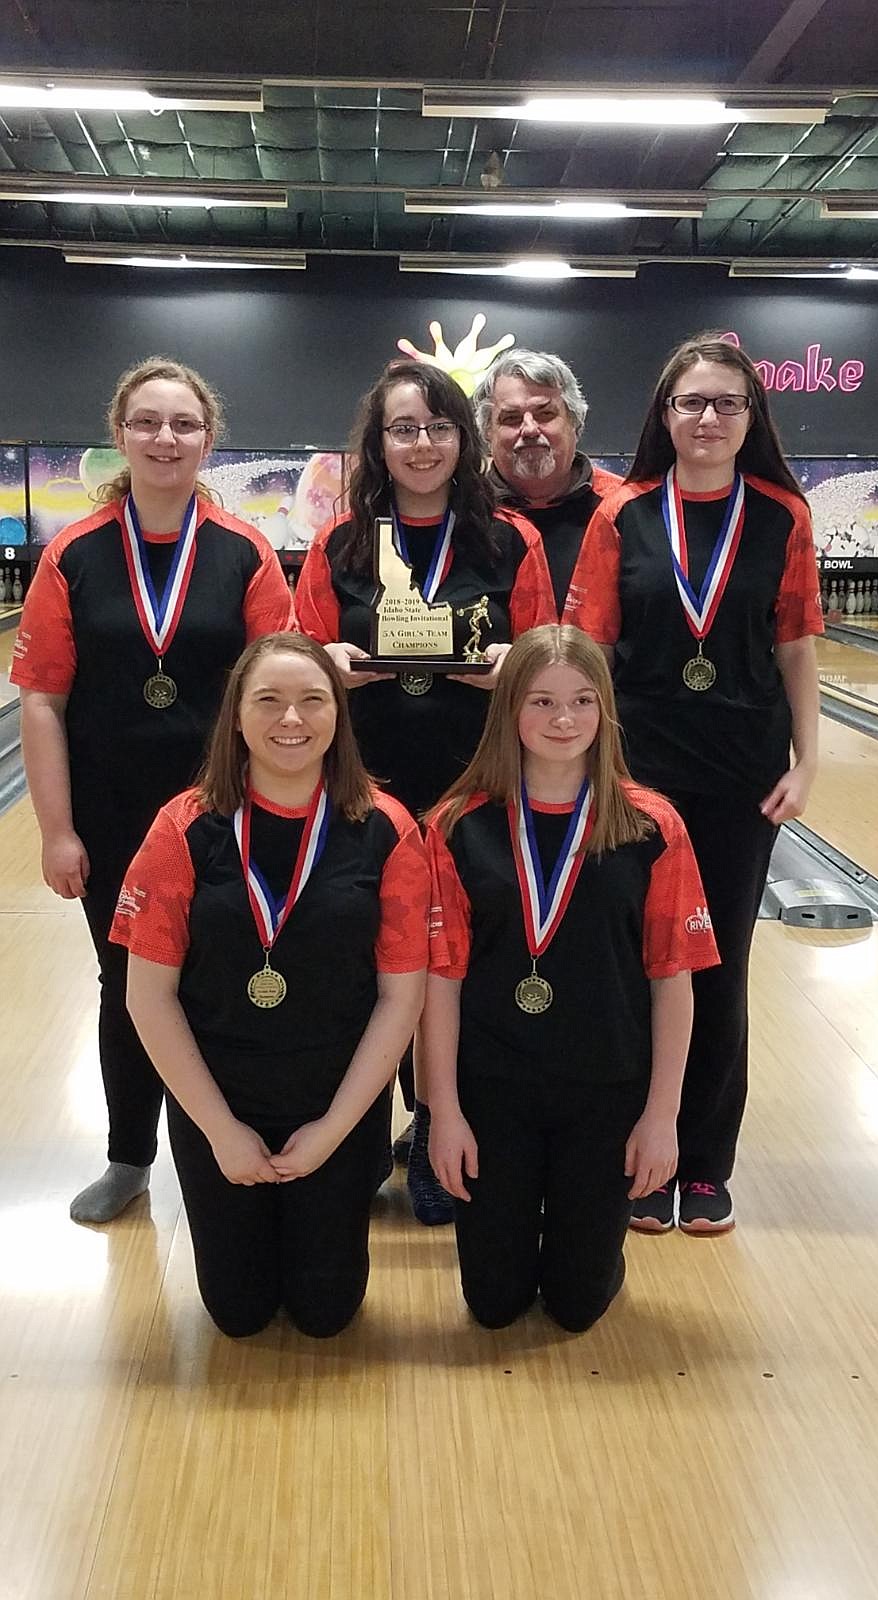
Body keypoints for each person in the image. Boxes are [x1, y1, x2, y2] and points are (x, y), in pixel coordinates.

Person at [12, 356, 294, 1224]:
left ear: (208, 439)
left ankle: (250, 1147)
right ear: (120, 435)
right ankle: (129, 1155)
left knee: (243, 978)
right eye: (147, 422)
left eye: (182, 424)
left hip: (224, 815)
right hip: (114, 815)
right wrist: (59, 832)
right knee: (127, 984)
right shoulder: (74, 554)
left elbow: (280, 690)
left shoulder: (243, 550)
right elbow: (43, 703)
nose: (164, 438)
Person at [295, 359, 556, 1224]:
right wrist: (325, 668)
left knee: (463, 974)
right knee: (367, 969)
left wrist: (514, 670)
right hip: (365, 794)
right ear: (378, 441)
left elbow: (550, 661)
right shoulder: (339, 546)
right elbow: (294, 668)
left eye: (439, 427)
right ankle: (364, 1138)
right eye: (403, 428)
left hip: (479, 791)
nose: (421, 445)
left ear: (463, 439)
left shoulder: (508, 540)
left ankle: (444, 1129)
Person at [109, 634, 429, 1337]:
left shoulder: (387, 829)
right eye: (270, 701)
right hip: (217, 1096)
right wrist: (221, 1132)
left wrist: (332, 1133)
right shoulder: (182, 827)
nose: (292, 719)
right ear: (237, 716)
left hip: (336, 1096)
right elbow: (147, 996)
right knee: (238, 1314)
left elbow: (402, 998)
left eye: (313, 700)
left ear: (339, 717)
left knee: (326, 1314)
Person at [581, 333, 823, 1234]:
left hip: (740, 777)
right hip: (639, 771)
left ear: (750, 418)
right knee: (634, 966)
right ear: (666, 416)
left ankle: (707, 1162)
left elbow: (795, 646)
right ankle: (643, 1154)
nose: (710, 418)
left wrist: (807, 761)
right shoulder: (625, 515)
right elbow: (595, 649)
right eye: (693, 403)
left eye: (728, 403)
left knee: (717, 966)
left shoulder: (782, 518)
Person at [422, 625, 719, 1331]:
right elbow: (440, 984)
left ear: (605, 712)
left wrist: (662, 1116)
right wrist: (442, 1112)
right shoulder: (457, 826)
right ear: (509, 711)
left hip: (606, 1089)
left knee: (578, 1306)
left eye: (583, 701)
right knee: (493, 1305)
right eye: (542, 701)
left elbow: (673, 980)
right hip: (494, 1090)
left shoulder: (652, 826)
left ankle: (589, 1253)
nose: (563, 719)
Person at [474, 349, 621, 621]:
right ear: (487, 432)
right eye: (511, 418)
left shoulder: (625, 508)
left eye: (545, 414)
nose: (529, 429)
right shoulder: (465, 513)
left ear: (574, 422)